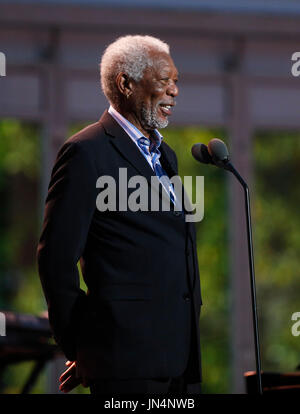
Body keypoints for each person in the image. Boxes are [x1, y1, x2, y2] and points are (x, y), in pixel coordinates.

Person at [37, 35, 202, 394]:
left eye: (176, 81)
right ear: (126, 83)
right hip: (126, 364)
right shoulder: (86, 152)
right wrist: (84, 346)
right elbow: (55, 258)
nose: (174, 91)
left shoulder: (166, 156)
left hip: (180, 360)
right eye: (164, 80)